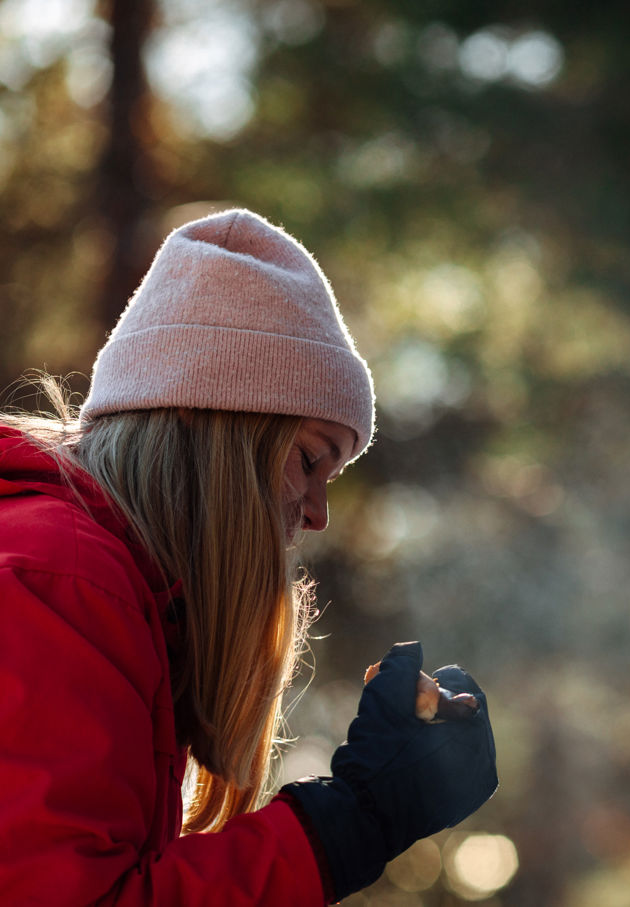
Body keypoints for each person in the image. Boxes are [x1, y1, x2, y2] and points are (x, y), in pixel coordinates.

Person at [0, 209, 497, 904]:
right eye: (310, 460)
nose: (319, 514)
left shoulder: (106, 587)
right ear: (212, 425)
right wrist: (352, 819)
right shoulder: (58, 579)